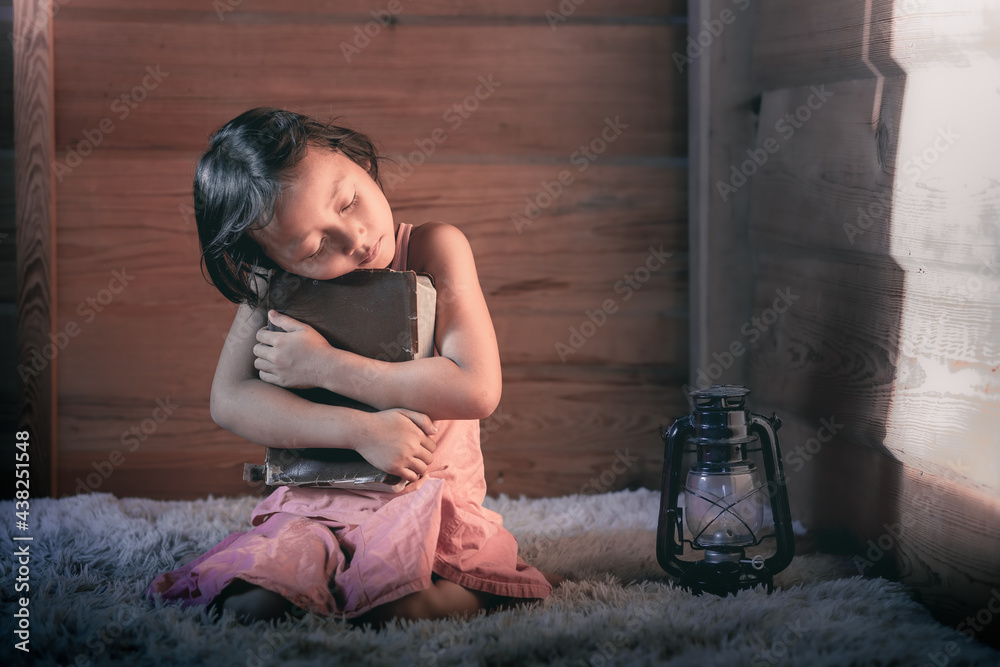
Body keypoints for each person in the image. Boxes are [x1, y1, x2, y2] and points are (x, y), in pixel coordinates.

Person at [145, 107, 561, 626]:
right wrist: (359, 429)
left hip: (424, 496)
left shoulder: (433, 249)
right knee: (255, 601)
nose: (358, 238)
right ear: (275, 263)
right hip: (316, 500)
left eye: (349, 201)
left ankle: (460, 591)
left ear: (354, 157)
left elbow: (477, 388)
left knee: (397, 601)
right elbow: (229, 400)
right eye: (315, 246)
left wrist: (327, 367)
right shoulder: (272, 286)